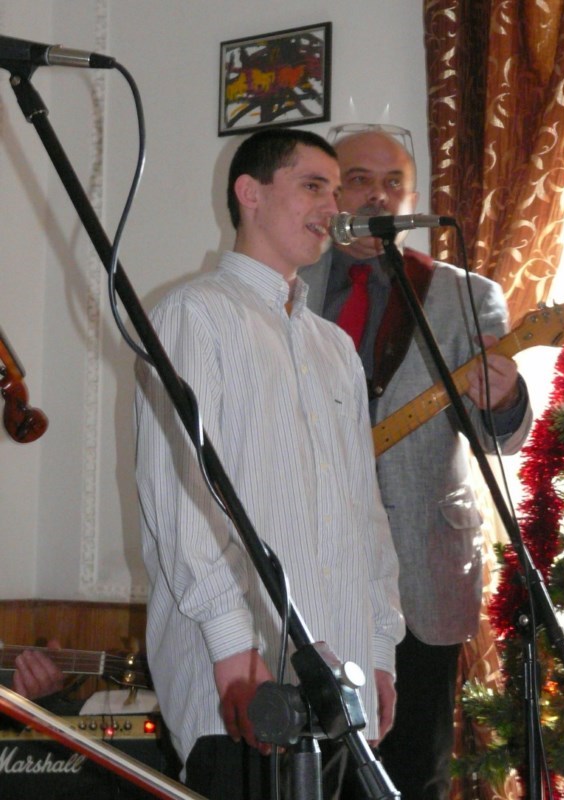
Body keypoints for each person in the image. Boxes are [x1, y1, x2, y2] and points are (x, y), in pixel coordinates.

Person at [134, 127, 404, 800]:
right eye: (313, 186)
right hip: (239, 678)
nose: (333, 207)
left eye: (335, 191)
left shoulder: (333, 346)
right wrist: (234, 648)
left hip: (338, 686)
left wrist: (377, 649)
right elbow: (180, 497)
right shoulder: (192, 316)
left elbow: (363, 512)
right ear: (249, 193)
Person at [300, 125, 533, 800]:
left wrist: (505, 398)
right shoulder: (286, 284)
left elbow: (499, 439)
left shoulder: (467, 295)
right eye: (359, 179)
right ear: (331, 191)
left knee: (411, 772)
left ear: (413, 200)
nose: (378, 195)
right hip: (308, 565)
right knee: (313, 767)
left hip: (421, 575)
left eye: (394, 183)